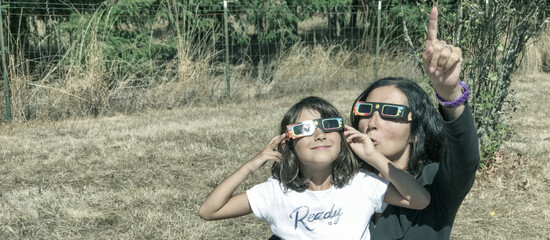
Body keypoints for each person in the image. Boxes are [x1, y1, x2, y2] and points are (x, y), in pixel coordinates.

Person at [199, 96, 431, 239]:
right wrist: (251, 165)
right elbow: (209, 211)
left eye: (329, 126)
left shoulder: (361, 184)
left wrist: (374, 157)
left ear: (342, 137)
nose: (319, 135)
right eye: (305, 129)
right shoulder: (277, 192)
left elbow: (420, 199)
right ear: (287, 143)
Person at [349, 7, 480, 239]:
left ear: (415, 133)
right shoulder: (346, 180)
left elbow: (465, 158)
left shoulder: (434, 183)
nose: (372, 122)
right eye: (366, 110)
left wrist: (450, 93)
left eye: (391, 112)